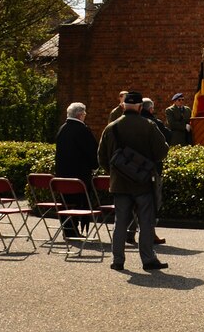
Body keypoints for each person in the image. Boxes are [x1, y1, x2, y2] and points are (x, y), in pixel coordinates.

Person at [99, 90, 169, 274]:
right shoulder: (148, 125)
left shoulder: (111, 127)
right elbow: (162, 152)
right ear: (139, 107)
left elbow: (102, 157)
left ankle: (117, 260)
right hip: (143, 182)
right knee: (146, 221)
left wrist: (116, 171)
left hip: (119, 183)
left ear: (123, 106)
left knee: (120, 222)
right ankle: (148, 259)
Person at [54, 103, 99, 239]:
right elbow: (92, 152)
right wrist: (95, 165)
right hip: (79, 177)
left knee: (66, 202)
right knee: (79, 202)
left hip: (62, 177)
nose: (85, 116)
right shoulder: (82, 130)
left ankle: (68, 229)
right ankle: (73, 230)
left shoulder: (62, 129)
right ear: (80, 115)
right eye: (84, 114)